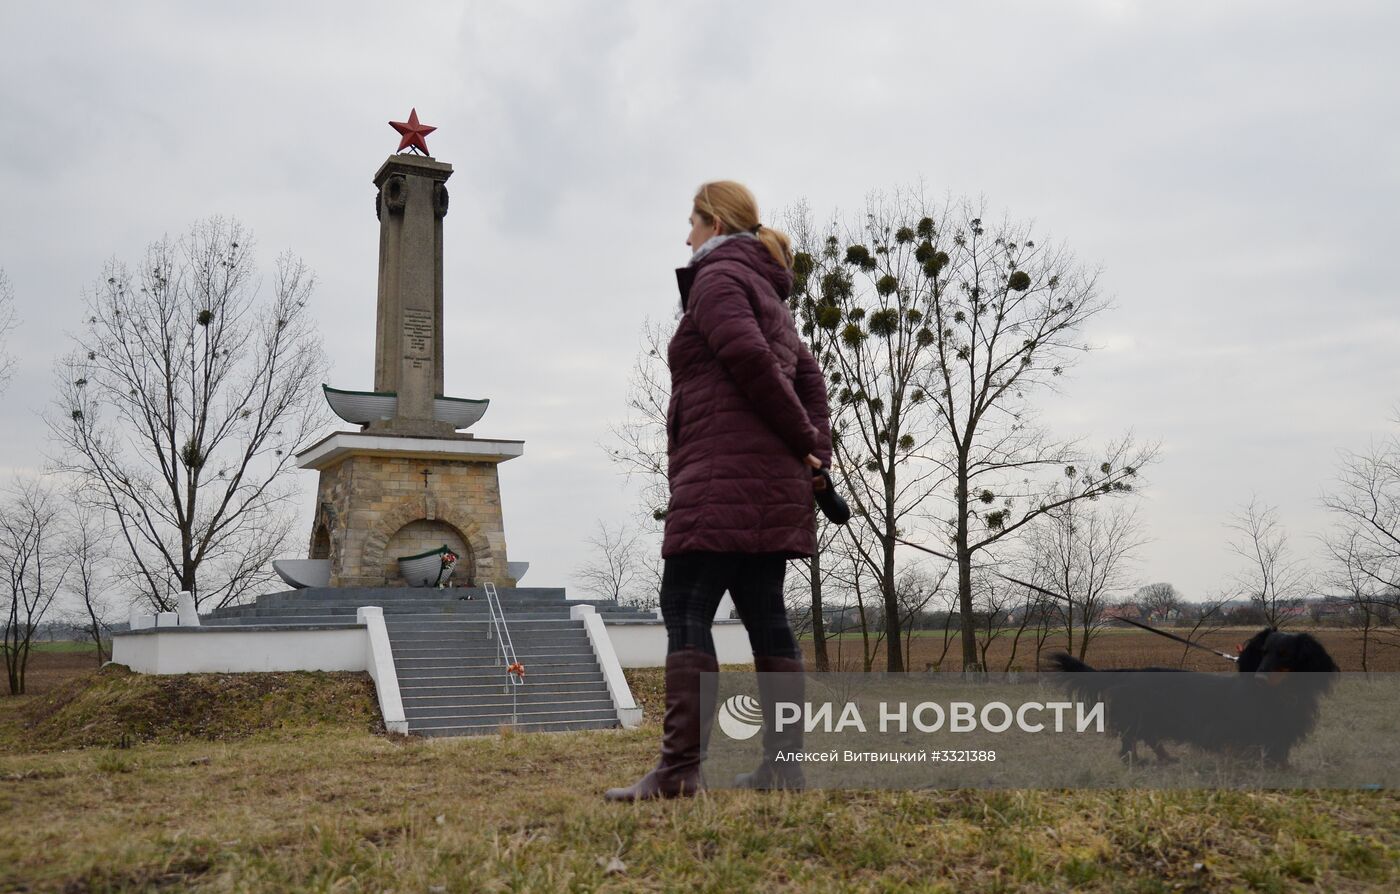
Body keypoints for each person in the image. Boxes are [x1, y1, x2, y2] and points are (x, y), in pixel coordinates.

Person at [604, 181, 831, 802]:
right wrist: (813, 449)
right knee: (765, 614)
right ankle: (784, 770)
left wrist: (803, 441)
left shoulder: (717, 280)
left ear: (715, 221)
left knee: (685, 605)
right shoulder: (768, 293)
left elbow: (751, 362)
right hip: (770, 483)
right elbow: (811, 382)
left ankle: (680, 770)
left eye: (692, 223)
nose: (686, 236)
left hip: (721, 474)